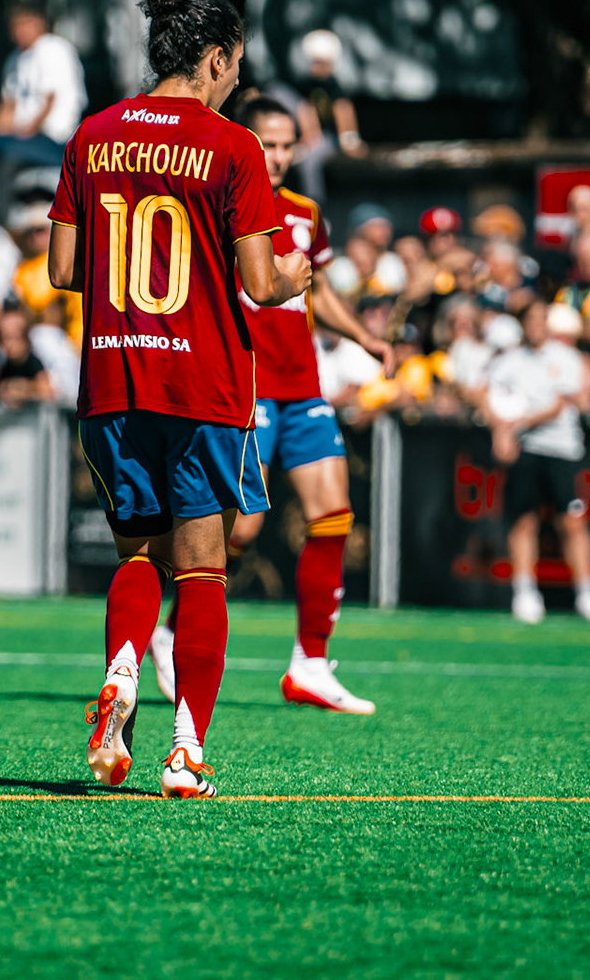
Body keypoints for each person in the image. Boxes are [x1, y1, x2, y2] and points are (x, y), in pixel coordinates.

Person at [48, 0, 309, 799]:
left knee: (135, 554)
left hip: (114, 376)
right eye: (233, 69)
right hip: (200, 380)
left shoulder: (93, 135)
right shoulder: (233, 147)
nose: (236, 84)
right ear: (215, 59)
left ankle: (124, 665)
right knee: (201, 570)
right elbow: (263, 285)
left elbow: (62, 269)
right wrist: (300, 270)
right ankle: (185, 751)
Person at [146, 96, 393, 718]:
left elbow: (320, 287)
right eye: (268, 143)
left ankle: (310, 663)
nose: (278, 156)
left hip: (303, 386)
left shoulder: (306, 212)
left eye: (287, 145)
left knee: (333, 513)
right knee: (242, 529)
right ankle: (171, 629)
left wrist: (361, 336)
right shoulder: (218, 200)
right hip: (241, 387)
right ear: (243, 142)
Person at [483, 300, 590, 626]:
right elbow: (488, 395)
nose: (537, 326)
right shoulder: (509, 360)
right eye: (531, 320)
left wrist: (515, 424)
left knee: (571, 521)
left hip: (561, 449)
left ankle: (587, 592)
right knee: (523, 520)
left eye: (542, 320)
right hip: (526, 450)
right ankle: (525, 591)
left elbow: (558, 404)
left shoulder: (566, 358)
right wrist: (499, 430)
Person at [0, 4, 86, 192]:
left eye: (25, 24)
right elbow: (8, 107)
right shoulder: (15, 59)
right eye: (15, 26)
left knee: (5, 158)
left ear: (40, 24)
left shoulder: (53, 49)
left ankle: (0, 217)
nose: (19, 31)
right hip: (20, 137)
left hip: (53, 138)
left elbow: (50, 100)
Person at [289, 28, 365, 198]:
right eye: (316, 62)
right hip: (312, 138)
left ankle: (316, 207)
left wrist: (349, 138)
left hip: (328, 138)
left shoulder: (333, 86)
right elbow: (304, 109)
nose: (320, 67)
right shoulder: (305, 85)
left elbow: (343, 108)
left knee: (309, 163)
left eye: (324, 62)